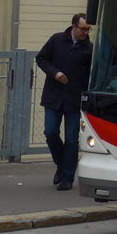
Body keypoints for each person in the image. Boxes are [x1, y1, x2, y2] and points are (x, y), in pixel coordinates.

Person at [35, 13, 94, 190]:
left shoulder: (89, 48)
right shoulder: (57, 40)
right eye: (83, 29)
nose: (86, 32)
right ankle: (61, 164)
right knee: (50, 132)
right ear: (73, 27)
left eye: (88, 29)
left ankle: (67, 177)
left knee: (71, 139)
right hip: (54, 96)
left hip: (75, 99)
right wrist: (55, 73)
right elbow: (41, 58)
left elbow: (92, 73)